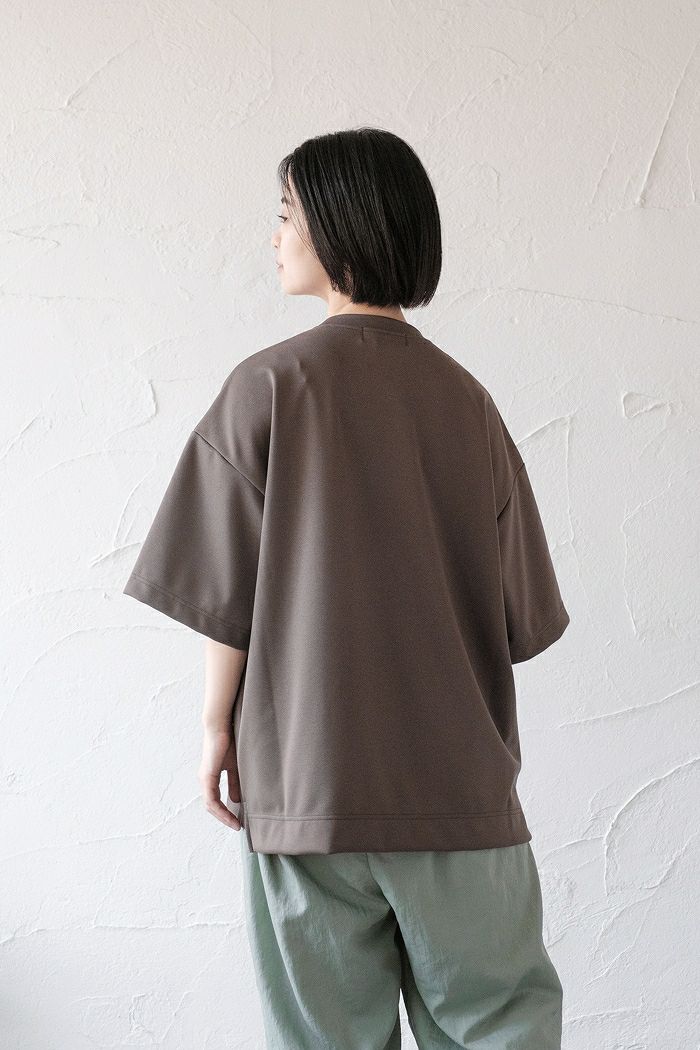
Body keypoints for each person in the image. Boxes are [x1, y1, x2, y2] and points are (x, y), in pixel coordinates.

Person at [123, 126, 569, 1049]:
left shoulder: (266, 388)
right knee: (500, 1028)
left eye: (287, 213)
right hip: (460, 801)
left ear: (340, 226)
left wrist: (216, 728)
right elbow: (523, 620)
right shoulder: (468, 404)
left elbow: (223, 596)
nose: (275, 235)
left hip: (308, 790)